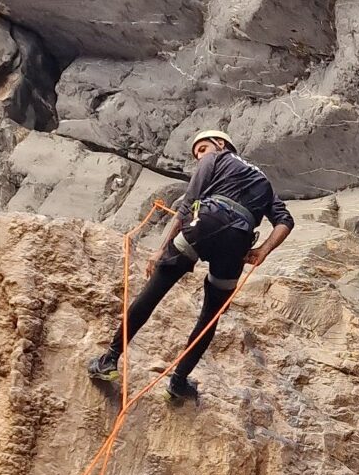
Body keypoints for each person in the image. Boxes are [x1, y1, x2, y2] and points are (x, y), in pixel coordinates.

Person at [87, 129, 294, 404]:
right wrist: (263, 250)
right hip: (237, 241)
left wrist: (161, 248)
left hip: (205, 223)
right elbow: (286, 220)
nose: (200, 156)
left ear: (220, 144)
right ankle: (178, 383)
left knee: (156, 289)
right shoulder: (264, 182)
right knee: (211, 315)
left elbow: (189, 202)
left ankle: (110, 359)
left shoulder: (217, 157)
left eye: (202, 148)